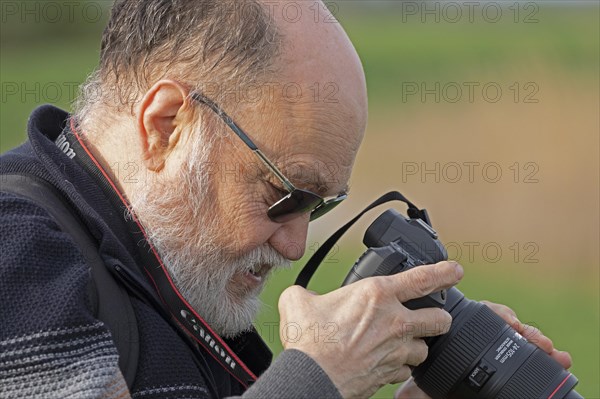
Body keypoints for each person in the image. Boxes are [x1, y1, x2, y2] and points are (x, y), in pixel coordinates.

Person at [0, 1, 572, 398]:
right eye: (283, 194)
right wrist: (319, 375)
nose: (295, 245)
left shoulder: (170, 272)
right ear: (167, 126)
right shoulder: (15, 244)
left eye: (317, 205)